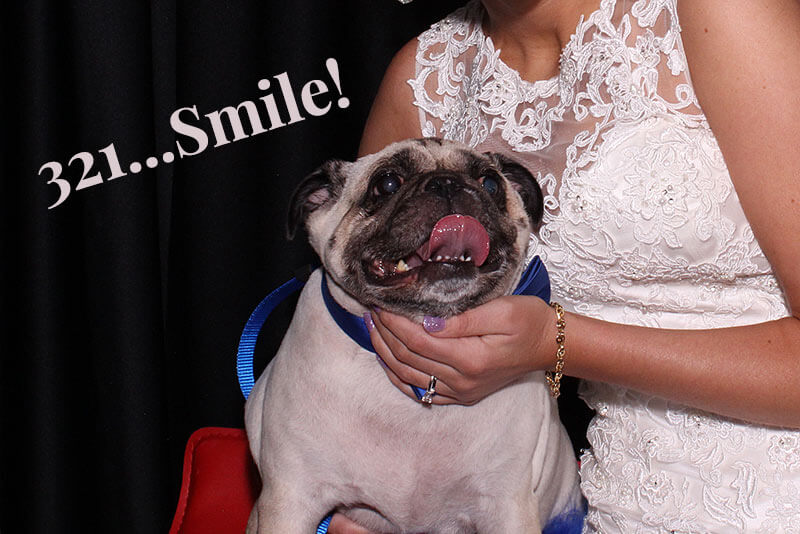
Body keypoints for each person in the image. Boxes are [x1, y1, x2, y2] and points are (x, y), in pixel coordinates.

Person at [329, 0, 800, 531]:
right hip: (618, 504)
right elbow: (371, 349)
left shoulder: (719, 13)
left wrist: (558, 343)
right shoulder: (425, 80)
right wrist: (374, 503)